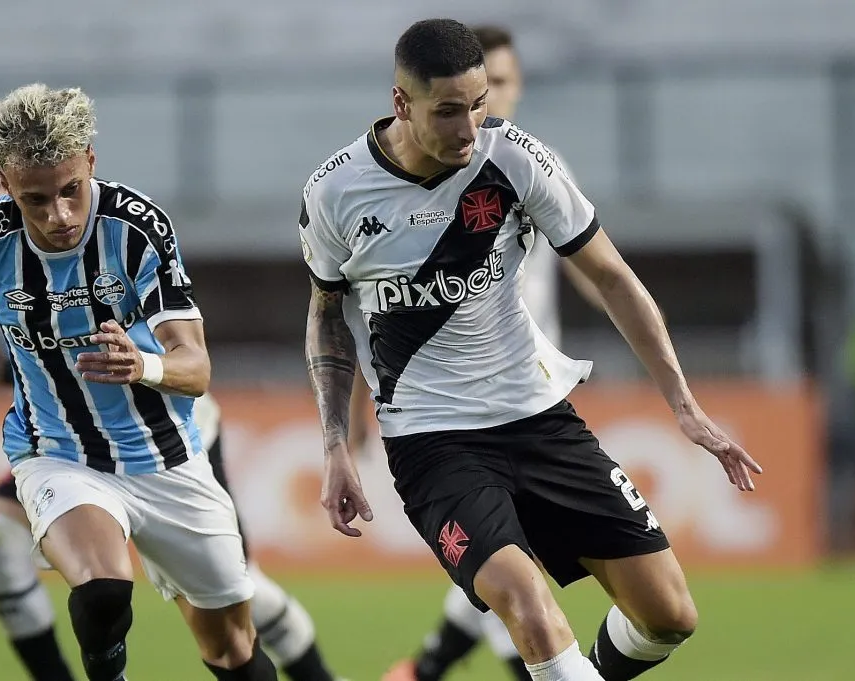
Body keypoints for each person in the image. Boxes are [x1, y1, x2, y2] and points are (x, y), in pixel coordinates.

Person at [301, 19, 761, 681]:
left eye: (480, 104)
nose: (469, 128)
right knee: (530, 606)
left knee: (669, 614)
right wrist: (335, 443)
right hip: (434, 441)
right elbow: (325, 318)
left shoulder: (515, 159)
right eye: (448, 111)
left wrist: (684, 406)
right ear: (402, 103)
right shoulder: (335, 192)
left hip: (540, 418)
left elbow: (611, 276)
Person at [0, 83, 277, 680]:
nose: (58, 216)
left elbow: (196, 370)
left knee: (233, 651)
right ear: (6, 185)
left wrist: (145, 366)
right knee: (103, 589)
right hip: (59, 455)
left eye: (70, 192)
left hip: (169, 459)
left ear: (90, 161)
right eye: (36, 200)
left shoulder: (136, 229)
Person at [373, 24, 595, 681]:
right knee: (508, 561)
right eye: (476, 89)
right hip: (455, 404)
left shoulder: (533, 164)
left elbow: (590, 263)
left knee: (508, 557)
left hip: (531, 387)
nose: (486, 101)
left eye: (498, 85)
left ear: (515, 87)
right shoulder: (416, 179)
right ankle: (445, 665)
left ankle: (428, 666)